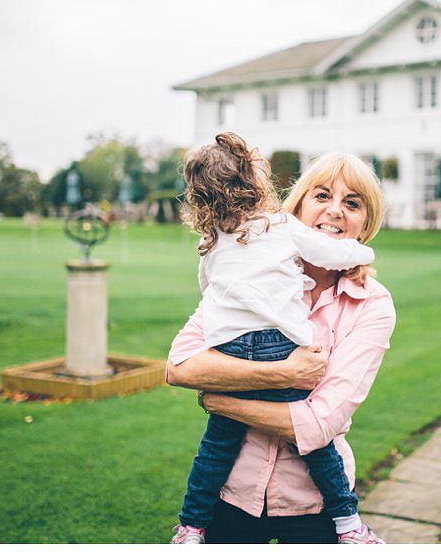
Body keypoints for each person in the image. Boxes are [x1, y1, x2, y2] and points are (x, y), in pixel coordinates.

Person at [164, 152, 395, 544]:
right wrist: (284, 374)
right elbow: (179, 366)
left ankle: (348, 524)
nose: (335, 211)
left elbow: (320, 422)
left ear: (366, 221)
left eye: (352, 203)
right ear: (299, 204)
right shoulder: (248, 269)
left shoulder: (372, 304)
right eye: (322, 196)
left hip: (313, 503)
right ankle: (191, 525)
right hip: (233, 494)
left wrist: (222, 401)